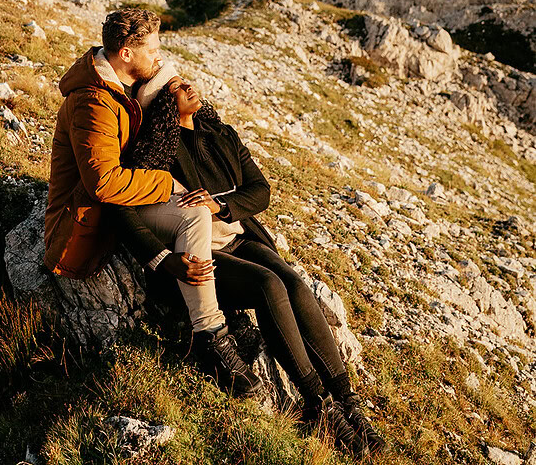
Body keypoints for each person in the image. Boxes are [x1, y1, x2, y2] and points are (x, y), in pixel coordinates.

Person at [115, 66, 386, 458]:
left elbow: (260, 191)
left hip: (239, 237)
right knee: (268, 286)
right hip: (206, 254)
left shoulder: (221, 134)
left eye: (184, 79)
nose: (187, 85)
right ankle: (317, 406)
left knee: (293, 282)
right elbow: (126, 205)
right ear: (161, 107)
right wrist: (163, 257)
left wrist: (221, 205)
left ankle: (348, 402)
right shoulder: (156, 152)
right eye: (174, 88)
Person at [43, 8, 260, 396]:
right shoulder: (93, 102)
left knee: (194, 211)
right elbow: (105, 184)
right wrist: (167, 185)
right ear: (126, 54)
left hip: (119, 205)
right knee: (188, 207)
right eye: (153, 50)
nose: (159, 58)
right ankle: (212, 337)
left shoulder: (121, 87)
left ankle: (211, 329)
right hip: (83, 221)